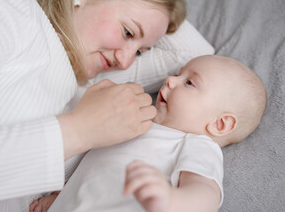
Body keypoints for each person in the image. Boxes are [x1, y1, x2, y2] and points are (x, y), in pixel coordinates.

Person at [0, 0, 215, 211]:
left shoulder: (91, 89)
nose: (125, 61)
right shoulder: (2, 2)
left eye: (141, 52)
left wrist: (159, 13)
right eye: (127, 32)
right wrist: (80, 131)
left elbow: (194, 54)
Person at [29, 55, 267, 212]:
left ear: (220, 124)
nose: (171, 80)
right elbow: (94, 172)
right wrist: (60, 198)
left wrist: (171, 201)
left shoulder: (196, 144)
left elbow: (206, 194)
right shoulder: (135, 121)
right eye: (178, 73)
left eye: (190, 83)